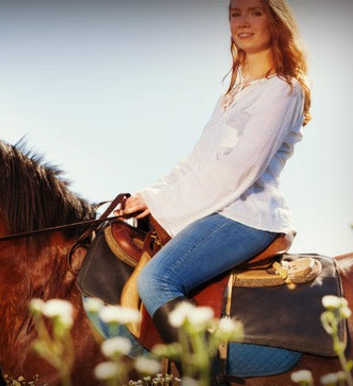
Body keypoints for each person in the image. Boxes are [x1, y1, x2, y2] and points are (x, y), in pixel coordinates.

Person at [117, 0, 311, 374]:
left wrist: (161, 200)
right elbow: (195, 163)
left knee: (157, 280)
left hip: (247, 215)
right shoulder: (232, 97)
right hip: (215, 210)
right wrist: (146, 196)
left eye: (254, 12)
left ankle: (207, 378)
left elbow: (239, 170)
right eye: (235, 14)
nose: (243, 22)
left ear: (276, 20)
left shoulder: (284, 90)